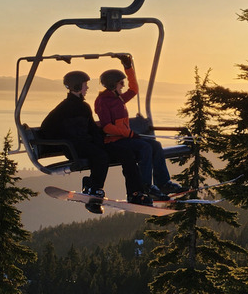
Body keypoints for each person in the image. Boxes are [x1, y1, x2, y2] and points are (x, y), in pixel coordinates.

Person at [40, 71, 150, 213]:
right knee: (100, 156)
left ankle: (135, 193)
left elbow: (92, 128)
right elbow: (46, 128)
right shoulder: (63, 108)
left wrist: (103, 140)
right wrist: (65, 139)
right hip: (75, 147)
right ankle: (94, 188)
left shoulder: (84, 107)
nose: (87, 88)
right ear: (77, 86)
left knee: (125, 153)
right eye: (85, 85)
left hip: (88, 143)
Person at [94, 56, 185, 200]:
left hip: (125, 138)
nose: (123, 86)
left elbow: (134, 89)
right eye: (120, 83)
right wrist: (128, 133)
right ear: (112, 85)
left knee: (155, 145)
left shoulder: (119, 98)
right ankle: (145, 186)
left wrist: (128, 67)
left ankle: (163, 183)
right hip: (114, 141)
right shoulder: (103, 101)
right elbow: (107, 127)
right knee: (145, 148)